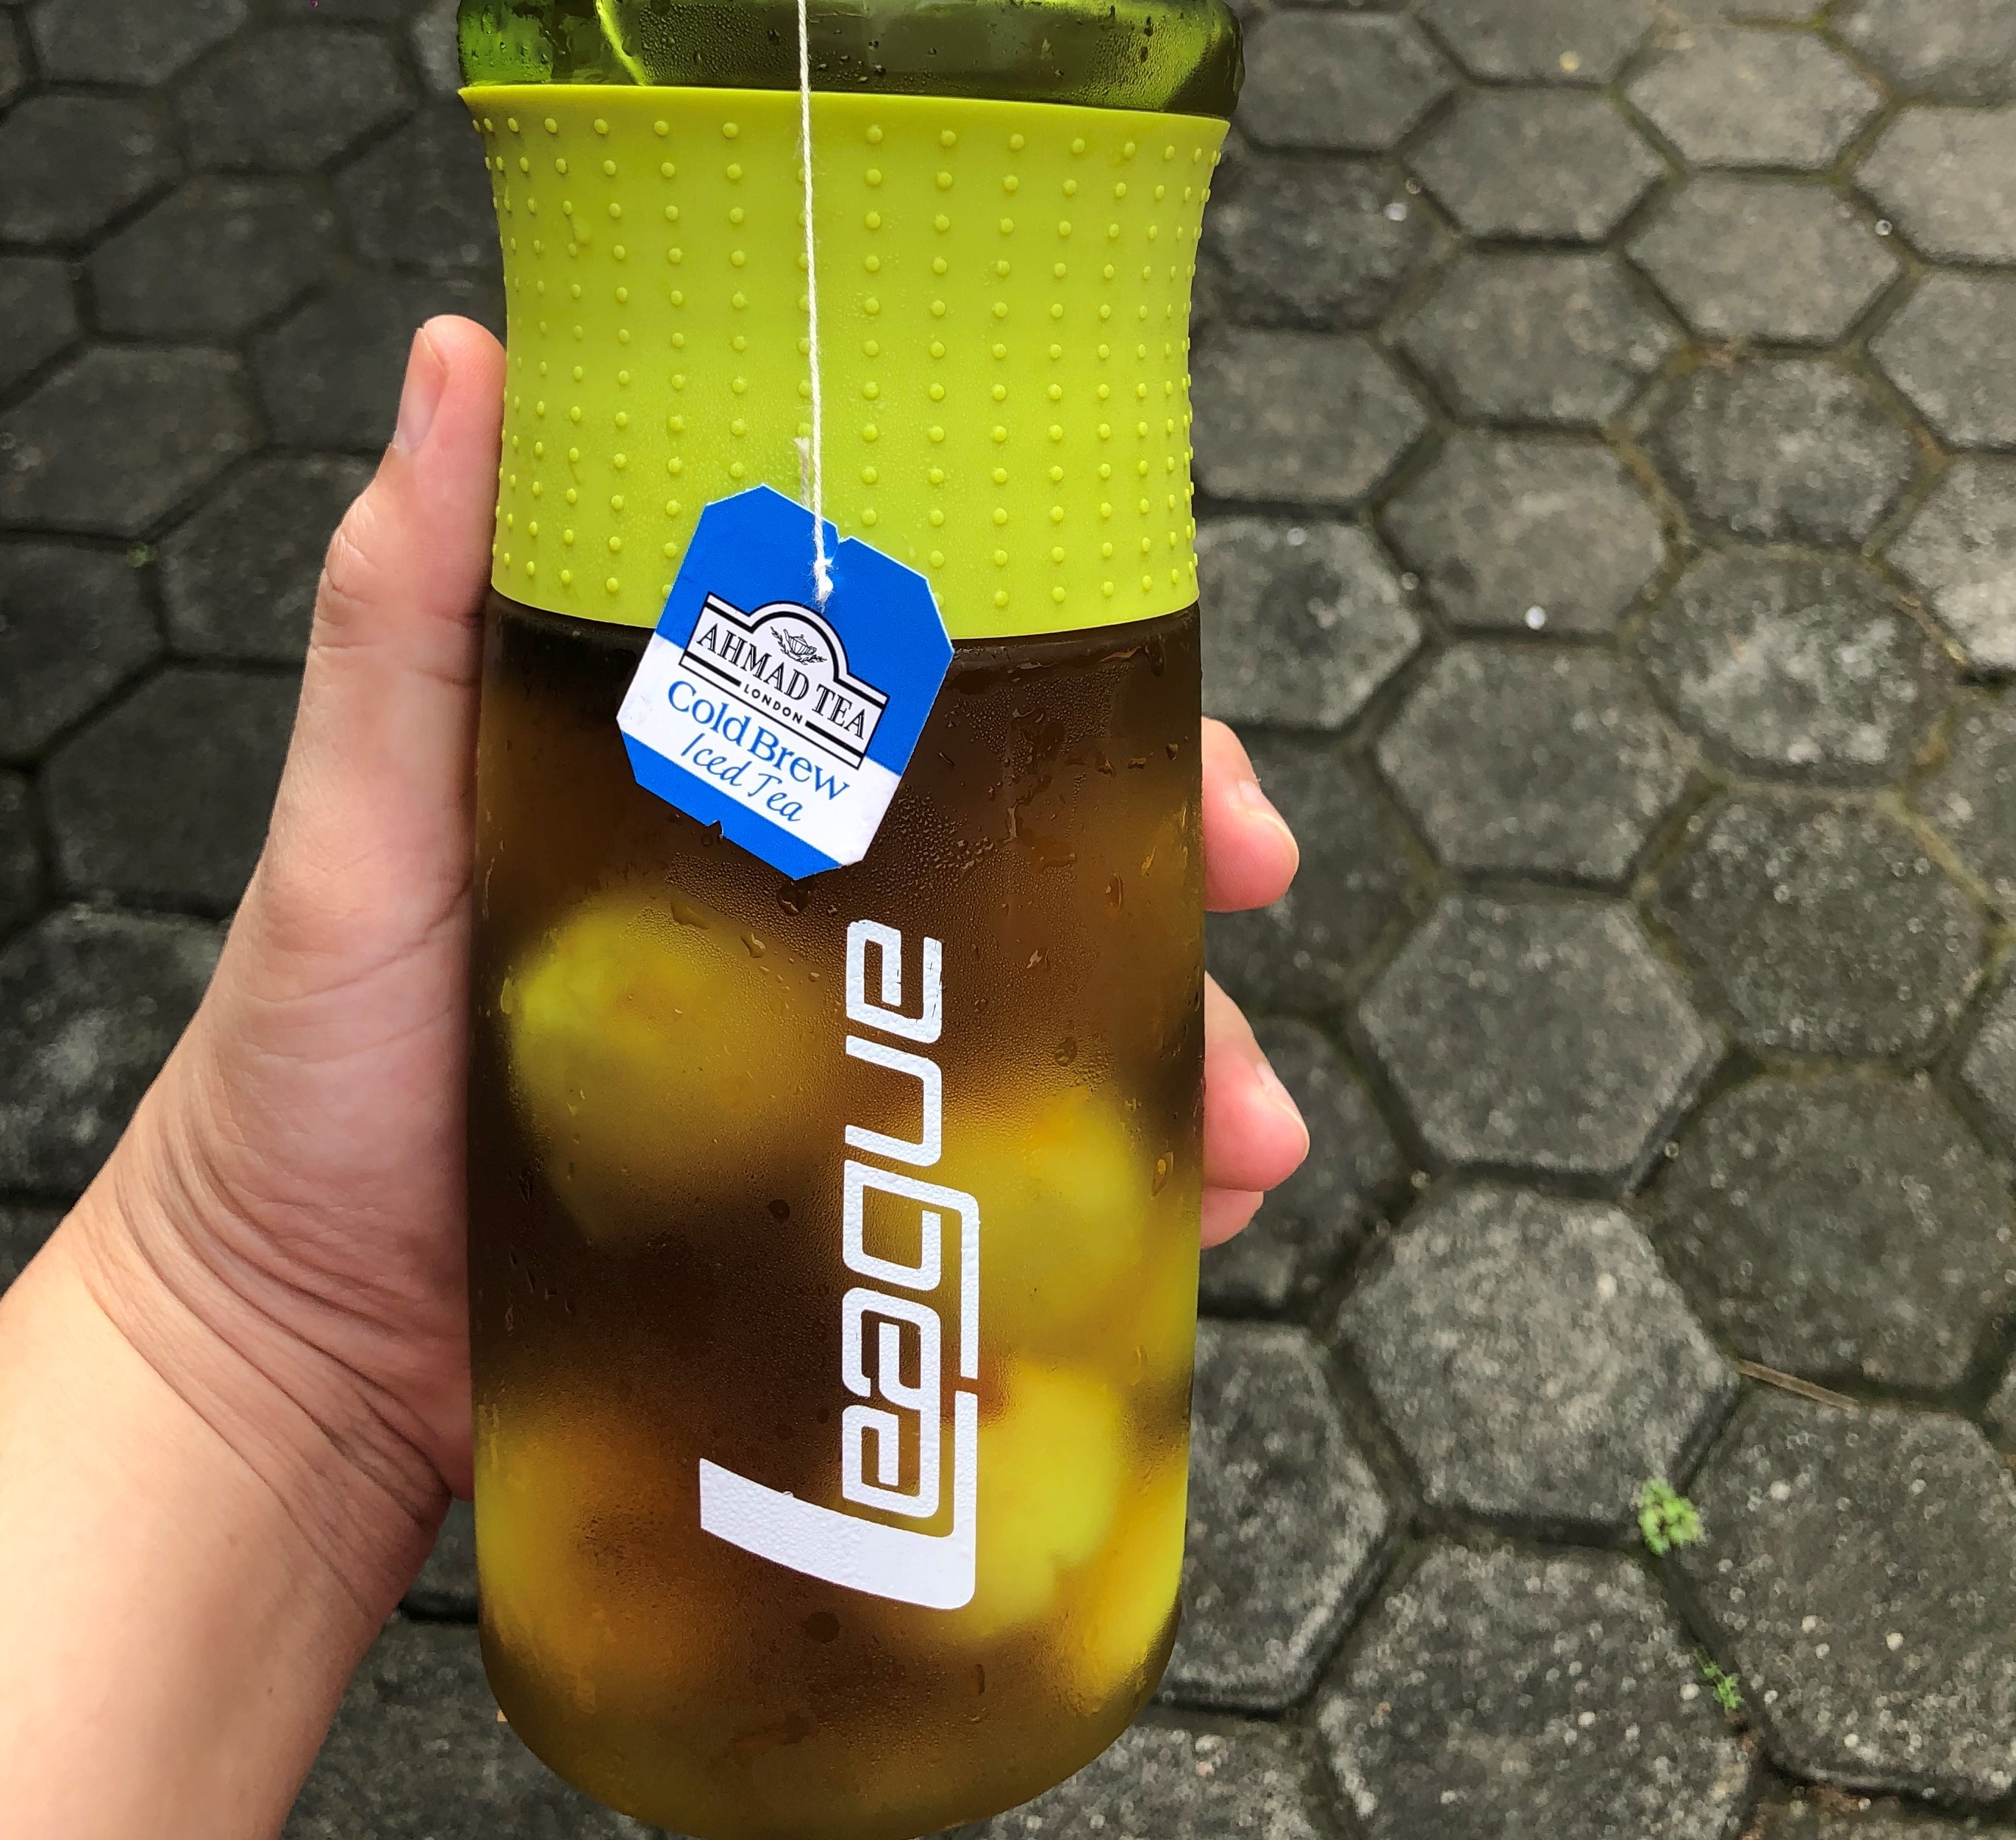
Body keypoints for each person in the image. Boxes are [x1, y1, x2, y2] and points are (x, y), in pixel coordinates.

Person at [0, 319, 1309, 1839]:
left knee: (1049, 928)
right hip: (666, 573)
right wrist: (263, 1308)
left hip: (997, 573)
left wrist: (255, 1331)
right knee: (1038, 932)